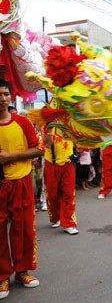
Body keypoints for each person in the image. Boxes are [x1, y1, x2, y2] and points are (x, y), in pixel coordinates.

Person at [0, 80, 44, 299]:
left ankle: (23, 271)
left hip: (22, 182)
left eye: (6, 94)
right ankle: (2, 277)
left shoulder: (22, 123)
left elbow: (38, 149)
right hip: (1, 186)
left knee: (23, 228)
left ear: (10, 96)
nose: (2, 98)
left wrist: (10, 157)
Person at [42, 127, 79, 235]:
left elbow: (78, 141)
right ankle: (55, 217)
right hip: (51, 165)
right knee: (52, 195)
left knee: (68, 194)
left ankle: (69, 223)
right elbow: (46, 145)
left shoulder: (70, 124)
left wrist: (77, 152)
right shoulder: (47, 124)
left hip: (68, 165)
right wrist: (49, 131)